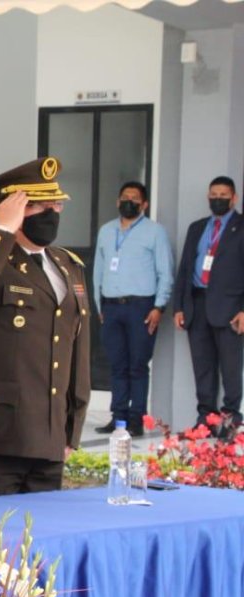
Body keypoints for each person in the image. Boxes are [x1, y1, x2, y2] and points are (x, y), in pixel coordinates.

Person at [0, 157, 91, 499]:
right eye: (38, 206)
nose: (51, 213)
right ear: (12, 209)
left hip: (47, 439)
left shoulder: (68, 266)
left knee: (36, 546)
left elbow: (77, 349)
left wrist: (71, 429)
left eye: (55, 204)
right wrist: (1, 232)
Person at [91, 181, 174, 436]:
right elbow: (98, 270)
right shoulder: (106, 231)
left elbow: (165, 272)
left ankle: (136, 418)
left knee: (137, 366)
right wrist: (99, 304)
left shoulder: (155, 232)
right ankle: (118, 418)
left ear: (144, 204)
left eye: (135, 198)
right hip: (112, 308)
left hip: (141, 307)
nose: (129, 201)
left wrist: (159, 306)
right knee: (117, 365)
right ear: (117, 202)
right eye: (125, 197)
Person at [173, 176, 243, 438]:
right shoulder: (197, 227)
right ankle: (205, 419)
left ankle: (230, 421)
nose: (218, 198)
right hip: (196, 306)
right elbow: (185, 270)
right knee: (202, 367)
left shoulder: (241, 226)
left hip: (230, 310)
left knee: (231, 368)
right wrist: (179, 307)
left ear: (234, 198)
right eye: (213, 194)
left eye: (224, 194)